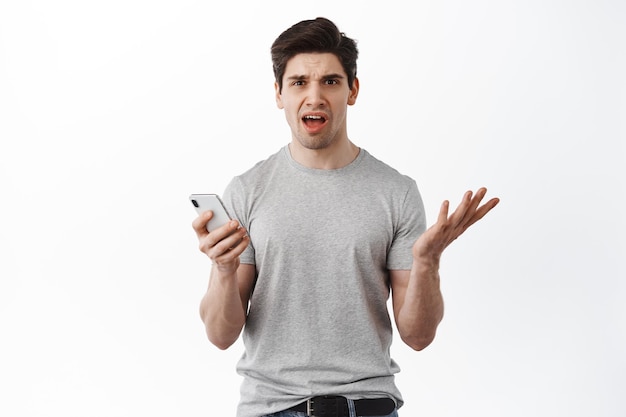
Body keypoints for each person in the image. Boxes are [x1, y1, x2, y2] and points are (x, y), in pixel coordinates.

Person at [191, 17, 499, 417]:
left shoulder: (396, 191)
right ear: (278, 94)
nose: (315, 96)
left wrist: (427, 263)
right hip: (270, 408)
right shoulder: (247, 190)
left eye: (331, 82)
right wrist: (223, 269)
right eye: (299, 82)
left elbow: (418, 336)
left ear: (352, 90)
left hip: (368, 407)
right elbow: (220, 335)